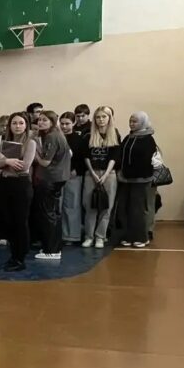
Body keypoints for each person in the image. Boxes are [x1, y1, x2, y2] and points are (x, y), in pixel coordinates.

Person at [0, 113, 37, 271]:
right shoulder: (4, 142)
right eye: (14, 123)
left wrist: (4, 161)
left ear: (26, 125)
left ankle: (20, 258)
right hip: (4, 184)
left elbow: (24, 166)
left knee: (20, 222)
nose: (17, 126)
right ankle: (13, 255)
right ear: (9, 125)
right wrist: (7, 161)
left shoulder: (30, 142)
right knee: (8, 221)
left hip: (21, 185)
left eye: (21, 123)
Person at [32, 110, 71, 259]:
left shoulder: (51, 136)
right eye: (39, 120)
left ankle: (51, 250)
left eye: (45, 120)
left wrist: (34, 150)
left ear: (52, 122)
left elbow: (45, 162)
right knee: (53, 213)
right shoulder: (57, 134)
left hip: (50, 178)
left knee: (48, 214)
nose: (40, 122)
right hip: (58, 178)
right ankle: (54, 246)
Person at [81, 106, 121, 248]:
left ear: (109, 118)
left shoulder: (115, 134)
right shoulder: (88, 135)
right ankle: (89, 236)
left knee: (106, 207)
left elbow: (114, 157)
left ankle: (100, 236)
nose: (101, 120)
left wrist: (105, 174)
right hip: (91, 173)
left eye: (104, 117)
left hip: (109, 174)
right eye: (98, 117)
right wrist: (92, 173)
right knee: (89, 206)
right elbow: (86, 156)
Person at [117, 112, 158, 248]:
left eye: (135, 121)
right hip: (125, 179)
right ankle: (128, 236)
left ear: (143, 123)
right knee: (125, 208)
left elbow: (146, 160)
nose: (131, 124)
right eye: (130, 121)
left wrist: (133, 173)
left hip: (140, 180)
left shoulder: (148, 139)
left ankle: (141, 237)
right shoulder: (128, 137)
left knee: (138, 210)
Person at [59, 112, 86, 245]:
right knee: (58, 206)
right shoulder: (57, 137)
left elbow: (83, 158)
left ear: (74, 123)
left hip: (73, 176)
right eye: (62, 123)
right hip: (58, 176)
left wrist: (76, 170)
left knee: (72, 206)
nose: (64, 126)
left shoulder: (79, 139)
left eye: (67, 124)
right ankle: (58, 234)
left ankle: (72, 235)